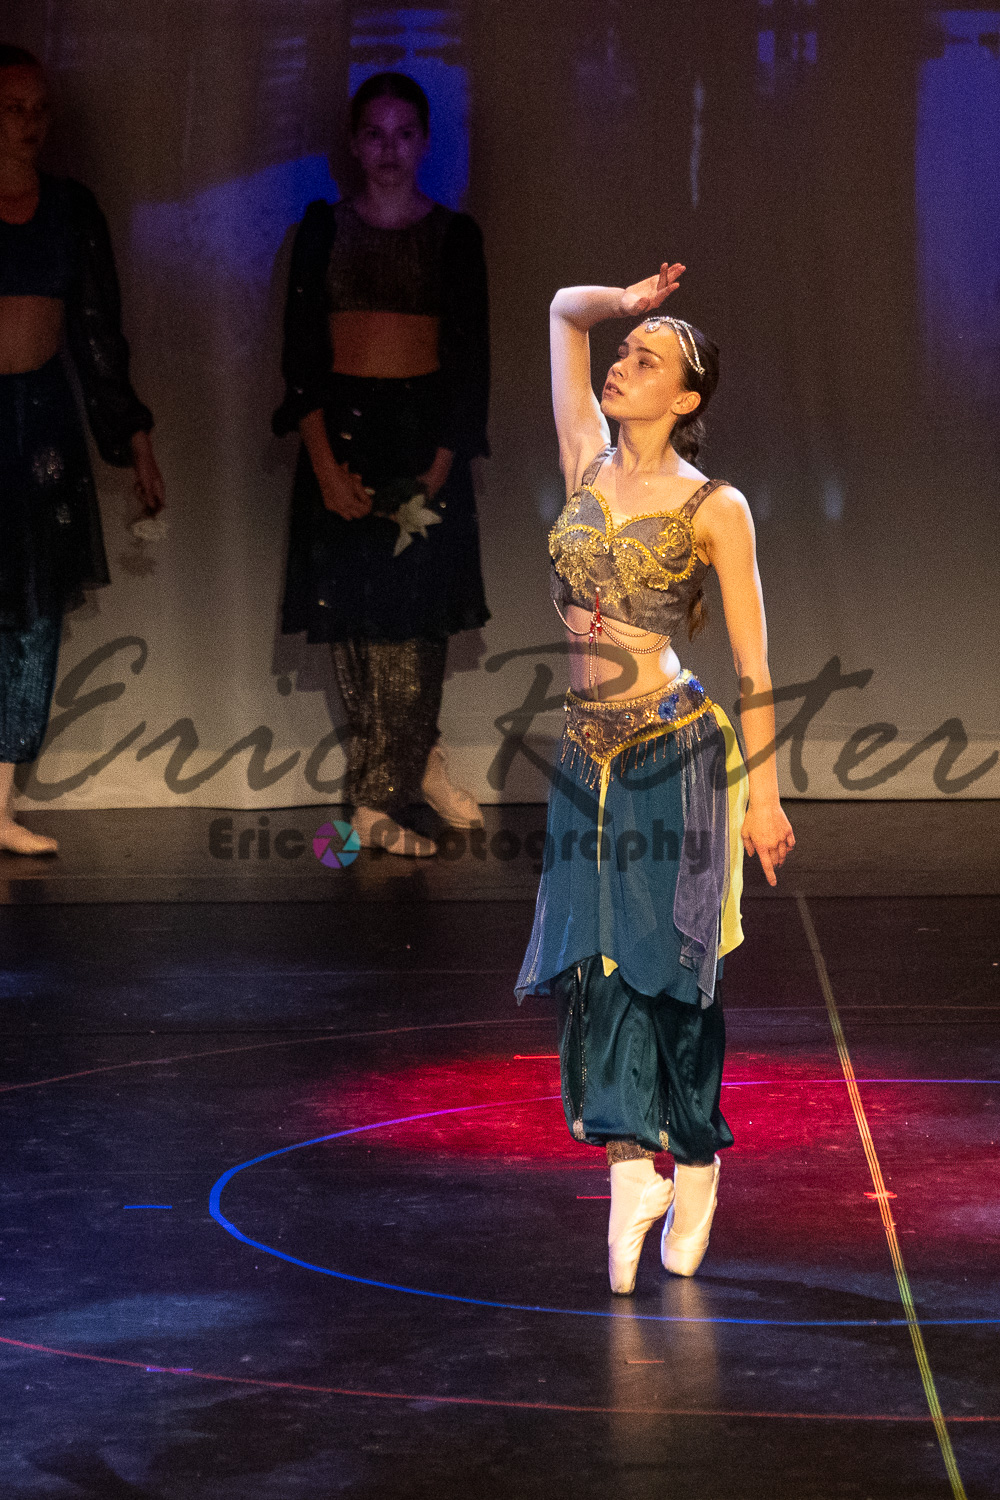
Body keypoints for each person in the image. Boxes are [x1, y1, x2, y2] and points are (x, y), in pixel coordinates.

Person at [516, 262, 795, 1292]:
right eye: (625, 353)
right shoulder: (584, 457)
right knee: (592, 966)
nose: (623, 364)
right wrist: (623, 305)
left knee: (671, 968)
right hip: (583, 752)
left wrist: (766, 796)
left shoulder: (715, 505)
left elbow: (754, 665)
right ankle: (631, 1168)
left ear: (686, 399)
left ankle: (699, 1161)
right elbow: (563, 312)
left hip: (675, 752)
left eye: (647, 359)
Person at [274, 72, 490, 857]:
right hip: (344, 438)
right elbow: (300, 357)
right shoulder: (322, 230)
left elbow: (470, 362)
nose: (389, 149)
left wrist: (440, 466)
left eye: (404, 134)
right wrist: (325, 465)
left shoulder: (453, 236)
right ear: (354, 143)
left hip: (420, 441)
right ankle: (384, 793)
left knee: (416, 621)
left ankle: (395, 781)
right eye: (374, 133)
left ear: (424, 142)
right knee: (359, 620)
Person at [0, 45, 164, 855]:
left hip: (39, 425)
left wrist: (134, 441)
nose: (31, 124)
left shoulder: (69, 209)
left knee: (32, 613)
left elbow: (99, 336)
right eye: (13, 108)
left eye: (41, 109)